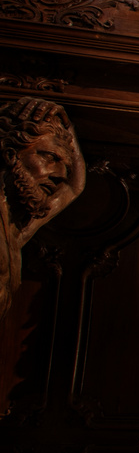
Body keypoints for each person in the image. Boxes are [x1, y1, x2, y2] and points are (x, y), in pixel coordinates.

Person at [0, 99, 85, 320]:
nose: (60, 174)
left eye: (65, 165)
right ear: (10, 154)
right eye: (49, 157)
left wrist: (69, 127)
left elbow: (73, 187)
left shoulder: (14, 231)